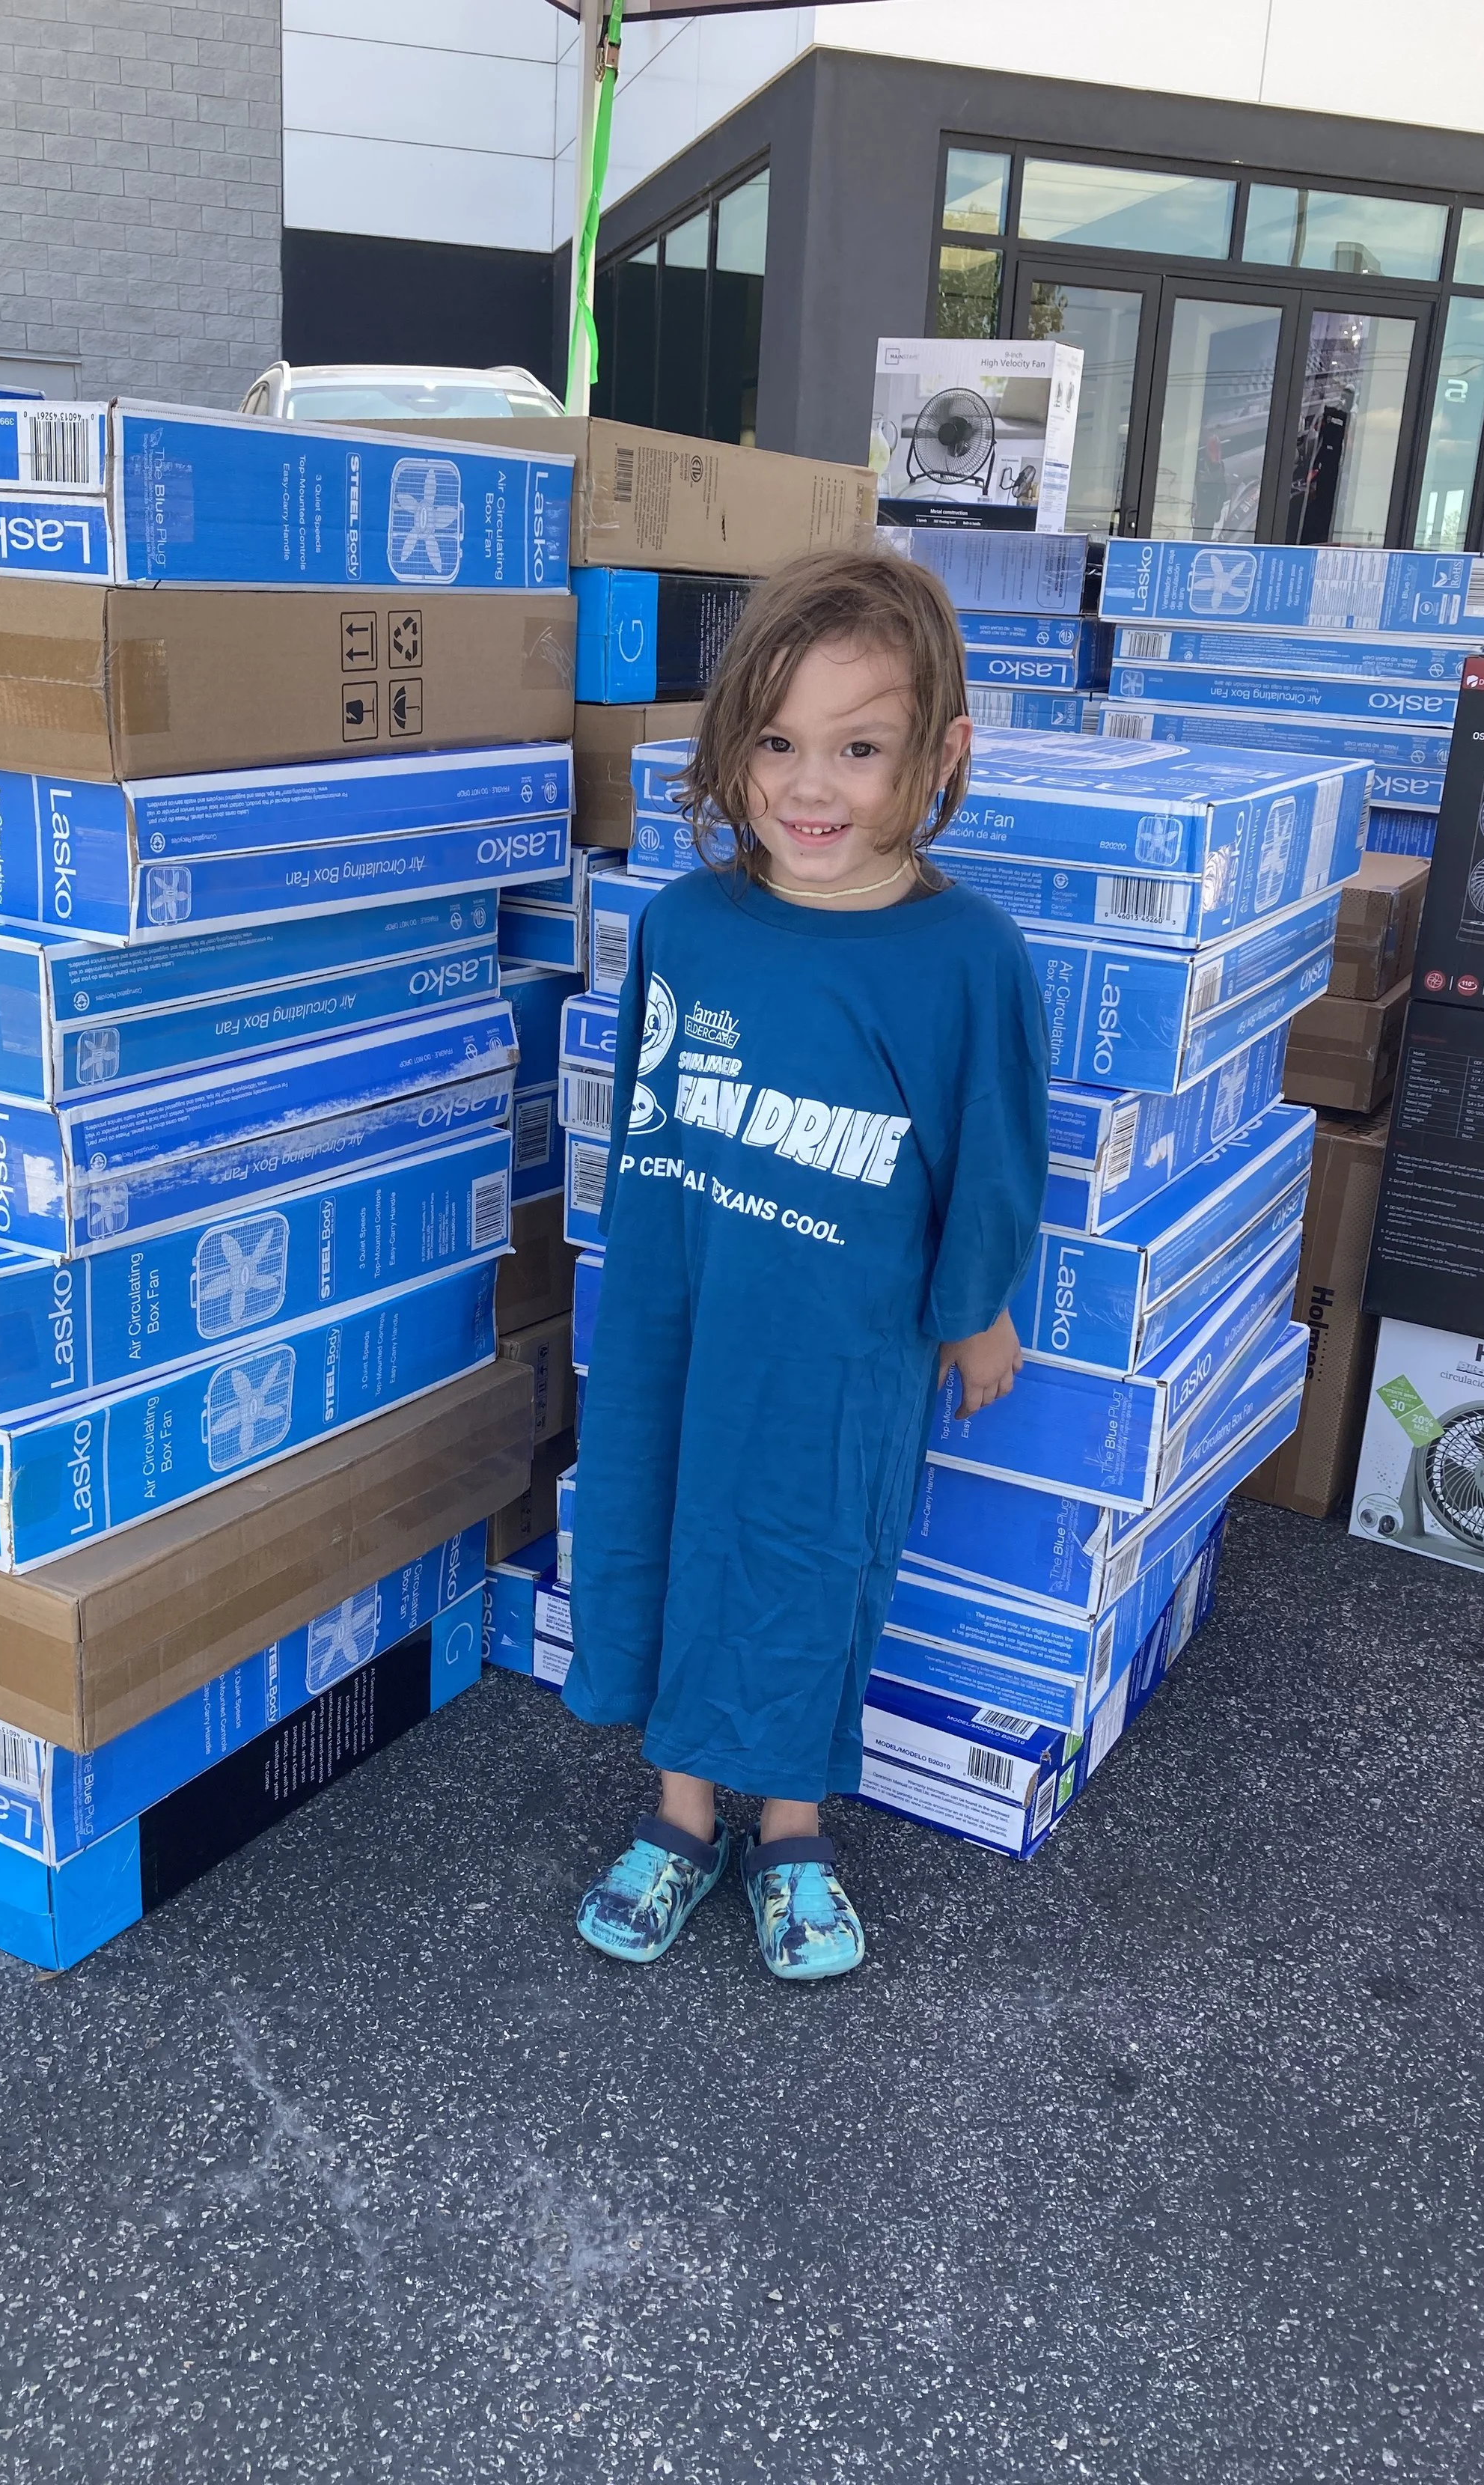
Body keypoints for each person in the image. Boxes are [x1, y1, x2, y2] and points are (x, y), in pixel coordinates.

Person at [561, 549, 1050, 1981]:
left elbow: (994, 1150)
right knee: (664, 1532)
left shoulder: (965, 956)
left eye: (859, 747)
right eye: (776, 742)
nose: (809, 786)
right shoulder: (686, 928)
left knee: (805, 1559)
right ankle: (679, 1818)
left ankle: (788, 1830)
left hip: (842, 1344)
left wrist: (974, 1310)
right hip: (680, 1315)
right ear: (729, 745)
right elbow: (649, 1120)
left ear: (939, 755)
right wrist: (636, 1290)